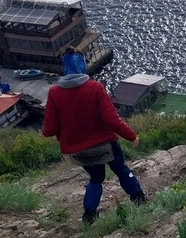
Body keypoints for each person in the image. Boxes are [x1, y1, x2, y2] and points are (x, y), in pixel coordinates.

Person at [42, 48, 147, 224]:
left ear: (65, 67)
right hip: (105, 145)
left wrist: (46, 129)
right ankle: (139, 199)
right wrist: (132, 136)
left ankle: (89, 216)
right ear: (82, 64)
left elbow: (50, 129)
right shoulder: (95, 88)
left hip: (79, 151)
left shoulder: (54, 93)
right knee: (122, 171)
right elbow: (112, 120)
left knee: (96, 179)